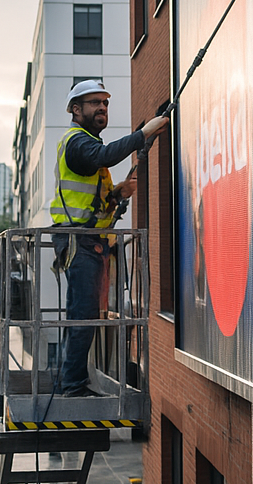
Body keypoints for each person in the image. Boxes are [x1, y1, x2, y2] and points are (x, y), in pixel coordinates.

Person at [50, 80, 168, 397]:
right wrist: (144, 133)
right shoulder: (77, 143)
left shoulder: (86, 145)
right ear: (76, 110)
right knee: (83, 312)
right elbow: (105, 155)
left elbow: (93, 191)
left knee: (85, 311)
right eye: (94, 103)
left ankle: (70, 380)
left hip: (89, 240)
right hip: (80, 241)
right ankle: (72, 384)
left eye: (105, 102)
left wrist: (116, 193)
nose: (102, 108)